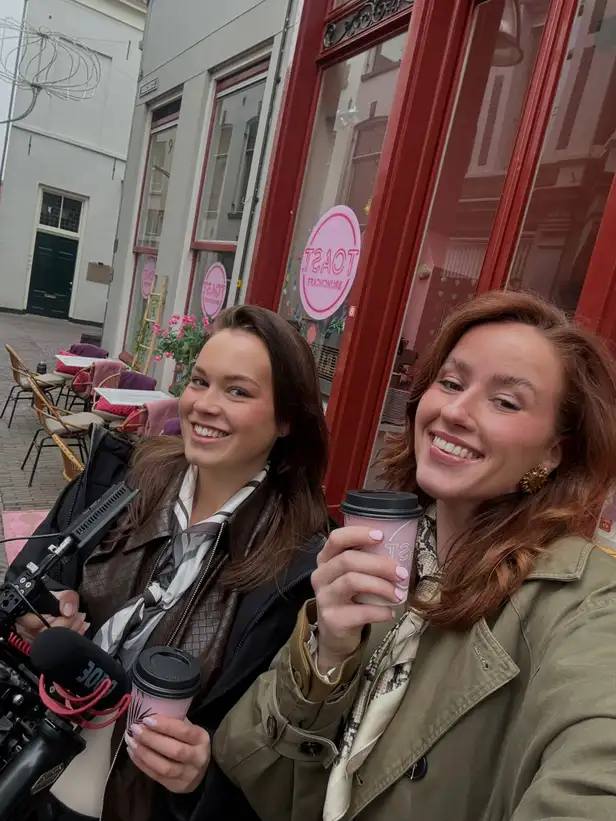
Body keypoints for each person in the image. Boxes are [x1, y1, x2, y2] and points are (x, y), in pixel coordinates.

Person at [213, 291, 616, 821]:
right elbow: (249, 765)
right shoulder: (386, 554)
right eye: (450, 383)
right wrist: (328, 652)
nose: (453, 411)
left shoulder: (585, 604)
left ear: (553, 451)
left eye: (505, 401)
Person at [9, 305, 329, 821]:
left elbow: (277, 747)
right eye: (200, 381)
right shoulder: (123, 473)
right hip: (27, 760)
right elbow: (32, 572)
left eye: (238, 391)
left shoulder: (296, 570)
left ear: (287, 418)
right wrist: (41, 608)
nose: (204, 405)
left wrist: (205, 771)